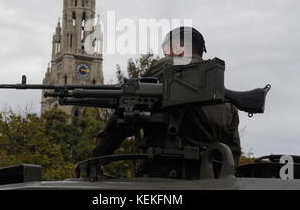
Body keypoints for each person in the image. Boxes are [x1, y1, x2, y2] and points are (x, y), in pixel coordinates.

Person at [91, 27, 241, 177]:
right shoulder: (225, 99)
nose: (165, 55)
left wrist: (97, 157)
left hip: (162, 176)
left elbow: (126, 111)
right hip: (210, 180)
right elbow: (233, 152)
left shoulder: (167, 66)